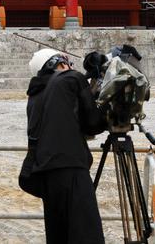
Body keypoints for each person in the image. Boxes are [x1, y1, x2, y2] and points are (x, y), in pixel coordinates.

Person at [20, 48, 107, 243]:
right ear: (56, 64)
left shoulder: (36, 95)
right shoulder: (70, 79)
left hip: (47, 175)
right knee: (87, 234)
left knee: (59, 235)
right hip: (72, 170)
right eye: (65, 63)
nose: (69, 67)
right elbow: (92, 123)